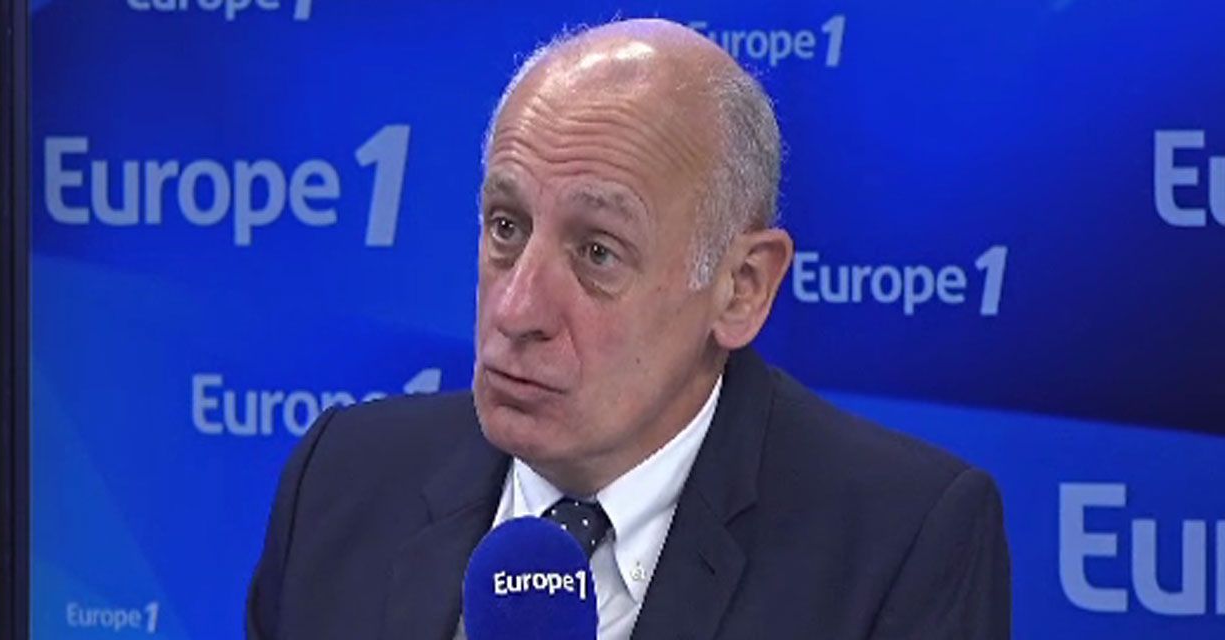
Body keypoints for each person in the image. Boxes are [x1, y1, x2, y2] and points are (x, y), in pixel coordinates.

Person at [246, 18, 1010, 640]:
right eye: (506, 226)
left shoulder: (900, 546)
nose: (516, 311)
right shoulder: (341, 481)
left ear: (741, 288)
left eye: (598, 253)